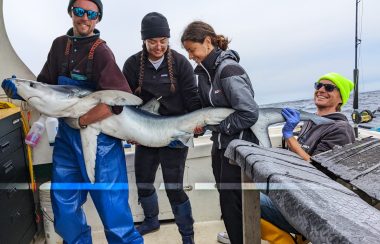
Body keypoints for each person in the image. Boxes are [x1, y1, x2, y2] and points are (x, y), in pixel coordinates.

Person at [2, 1, 143, 243]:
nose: (84, 18)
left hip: (102, 143)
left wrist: (83, 120)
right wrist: (20, 92)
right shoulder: (59, 46)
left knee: (113, 213)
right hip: (67, 141)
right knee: (64, 207)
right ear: (71, 13)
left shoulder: (102, 52)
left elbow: (118, 101)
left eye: (91, 14)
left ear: (98, 18)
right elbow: (45, 84)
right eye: (79, 11)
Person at [122, 12, 202, 244]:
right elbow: (125, 102)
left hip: (175, 134)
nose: (158, 46)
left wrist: (197, 125)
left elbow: (193, 99)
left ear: (168, 39)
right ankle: (151, 220)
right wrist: (131, 132)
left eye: (163, 41)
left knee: (173, 187)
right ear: (144, 41)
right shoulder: (132, 64)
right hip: (146, 132)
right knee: (144, 181)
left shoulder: (180, 63)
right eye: (152, 41)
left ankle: (187, 235)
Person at [181, 21, 259, 244]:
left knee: (233, 201)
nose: (190, 56)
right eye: (186, 51)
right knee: (226, 199)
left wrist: (216, 126)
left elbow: (249, 113)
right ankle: (238, 238)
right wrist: (200, 125)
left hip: (241, 146)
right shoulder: (204, 74)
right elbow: (210, 110)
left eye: (192, 49)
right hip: (222, 145)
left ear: (207, 42)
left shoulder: (228, 70)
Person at [260, 72, 356, 243]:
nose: (321, 90)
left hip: (310, 207)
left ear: (341, 98)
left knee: (237, 195)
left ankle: (286, 240)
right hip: (293, 191)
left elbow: (316, 170)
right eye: (318, 85)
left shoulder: (340, 129)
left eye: (329, 87)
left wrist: (289, 136)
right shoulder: (311, 121)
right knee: (243, 184)